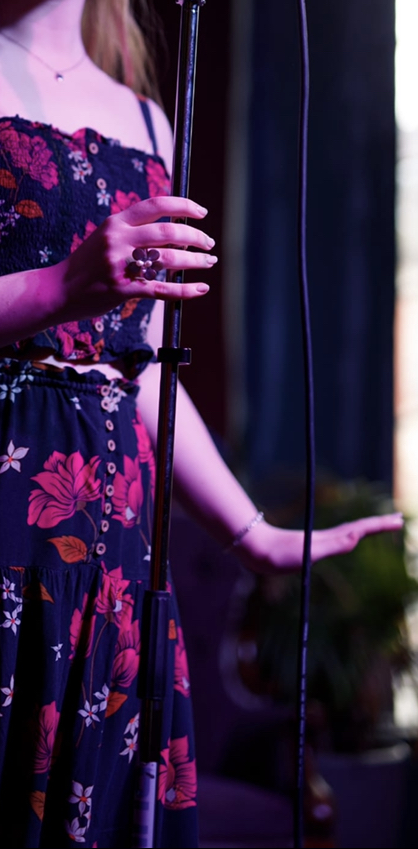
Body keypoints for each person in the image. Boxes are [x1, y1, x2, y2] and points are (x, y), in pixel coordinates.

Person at [0, 1, 403, 846]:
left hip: (113, 533)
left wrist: (253, 535)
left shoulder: (149, 119)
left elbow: (145, 364)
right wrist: (55, 289)